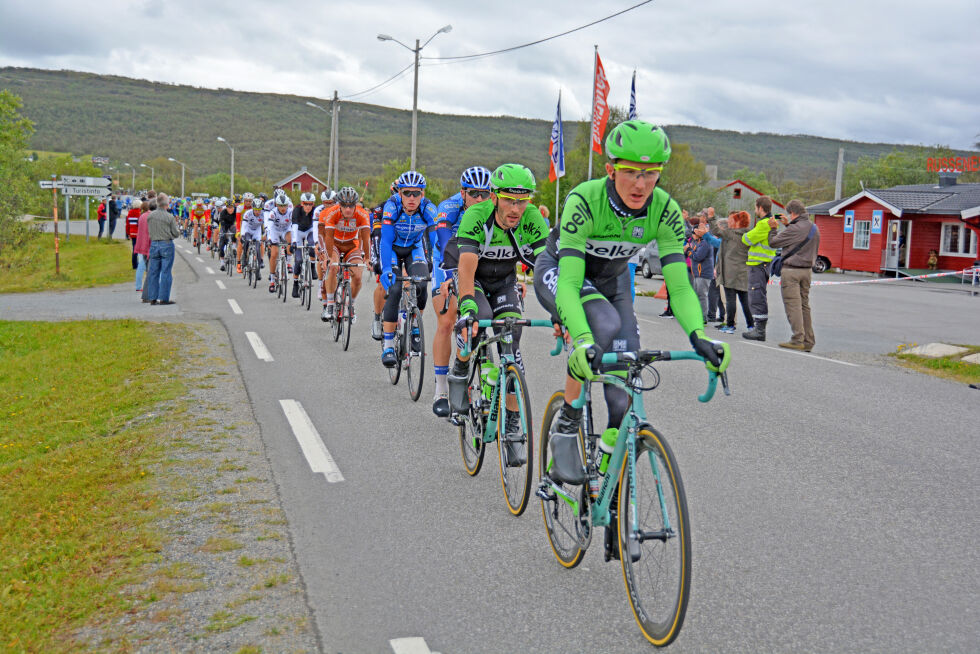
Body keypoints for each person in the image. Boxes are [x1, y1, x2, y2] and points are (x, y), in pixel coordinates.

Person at [533, 121, 728, 560]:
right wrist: (580, 339)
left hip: (615, 279)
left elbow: (679, 286)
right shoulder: (585, 199)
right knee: (599, 326)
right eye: (631, 172)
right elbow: (568, 284)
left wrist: (699, 335)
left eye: (651, 172)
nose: (641, 183)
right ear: (610, 168)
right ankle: (567, 418)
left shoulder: (664, 209)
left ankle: (606, 476)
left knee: (623, 397)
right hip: (565, 272)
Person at [443, 164, 548, 465]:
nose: (516, 208)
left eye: (523, 200)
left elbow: (545, 266)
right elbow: (465, 267)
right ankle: (461, 367)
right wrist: (466, 308)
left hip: (504, 282)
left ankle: (513, 424)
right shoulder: (476, 216)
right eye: (509, 200)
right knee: (476, 324)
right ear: (494, 196)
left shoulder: (532, 219)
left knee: (511, 344)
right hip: (474, 280)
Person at [430, 166, 492, 417]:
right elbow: (446, 244)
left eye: (485, 194)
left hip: (478, 261)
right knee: (446, 320)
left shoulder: (491, 209)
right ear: (463, 193)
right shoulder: (450, 208)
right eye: (474, 194)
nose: (479, 199)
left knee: (483, 315)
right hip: (447, 260)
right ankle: (441, 389)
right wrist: (449, 279)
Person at [378, 171, 438, 368]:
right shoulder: (392, 206)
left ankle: (414, 329)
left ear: (422, 193)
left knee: (421, 284)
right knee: (394, 289)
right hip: (393, 249)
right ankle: (388, 345)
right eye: (407, 193)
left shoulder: (428, 208)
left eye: (416, 193)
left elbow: (436, 238)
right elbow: (385, 240)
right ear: (400, 193)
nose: (411, 198)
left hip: (414, 248)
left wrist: (438, 263)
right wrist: (386, 267)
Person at [768, 199, 820, 351]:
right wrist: (788, 225)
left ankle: (797, 339)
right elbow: (799, 236)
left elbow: (774, 243)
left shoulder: (794, 229)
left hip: (792, 270)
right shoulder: (813, 228)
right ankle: (808, 341)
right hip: (807, 271)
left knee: (793, 305)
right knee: (804, 306)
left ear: (792, 213)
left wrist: (773, 228)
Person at [318, 186, 371, 321]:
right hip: (335, 244)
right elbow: (328, 237)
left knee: (358, 276)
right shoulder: (332, 213)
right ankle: (330, 304)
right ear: (339, 204)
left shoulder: (362, 214)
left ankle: (350, 305)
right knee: (333, 267)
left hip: (351, 246)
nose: (348, 209)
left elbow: (366, 238)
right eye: (344, 205)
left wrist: (368, 258)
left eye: (351, 206)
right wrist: (328, 257)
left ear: (355, 205)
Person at [709, 210, 752, 333]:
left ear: (738, 222)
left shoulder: (731, 234)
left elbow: (716, 231)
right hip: (743, 272)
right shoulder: (748, 235)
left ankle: (730, 325)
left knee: (730, 300)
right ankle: (751, 325)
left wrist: (712, 217)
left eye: (731, 220)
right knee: (745, 301)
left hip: (730, 272)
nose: (729, 222)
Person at [741, 196, 778, 340]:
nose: (755, 210)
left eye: (756, 207)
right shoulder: (771, 221)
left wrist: (747, 234)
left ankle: (759, 330)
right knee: (758, 295)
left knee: (757, 296)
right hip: (763, 264)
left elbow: (746, 239)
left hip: (759, 264)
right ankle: (759, 329)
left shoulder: (764, 224)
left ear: (760, 208)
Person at [145, 193, 179, 305]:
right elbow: (175, 233)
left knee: (153, 271)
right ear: (167, 204)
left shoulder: (150, 216)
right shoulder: (169, 217)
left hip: (154, 244)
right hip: (166, 244)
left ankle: (152, 297)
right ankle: (164, 298)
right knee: (166, 271)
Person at [290, 192, 319, 298]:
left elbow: (316, 227)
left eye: (310, 204)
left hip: (309, 230)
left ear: (313, 204)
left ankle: (312, 266)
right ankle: (295, 284)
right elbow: (294, 226)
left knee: (312, 246)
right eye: (306, 204)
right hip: (298, 232)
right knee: (298, 260)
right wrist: (293, 242)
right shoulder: (296, 210)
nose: (308, 206)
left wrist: (317, 242)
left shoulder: (315, 211)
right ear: (302, 203)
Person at [264, 194, 293, 292]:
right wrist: (269, 238)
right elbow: (270, 226)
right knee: (274, 254)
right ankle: (272, 280)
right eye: (280, 206)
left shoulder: (290, 212)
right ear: (277, 205)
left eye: (285, 205)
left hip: (286, 230)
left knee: (290, 238)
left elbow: (294, 226)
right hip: (275, 231)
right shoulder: (273, 213)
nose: (283, 208)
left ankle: (288, 263)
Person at [686, 223, 714, 321]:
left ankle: (703, 317)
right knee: (697, 294)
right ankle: (697, 315)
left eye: (694, 232)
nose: (693, 234)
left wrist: (688, 250)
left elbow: (698, 256)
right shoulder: (697, 242)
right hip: (698, 273)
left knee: (702, 295)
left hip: (704, 273)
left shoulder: (705, 242)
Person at [238, 197, 265, 278]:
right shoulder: (248, 213)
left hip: (257, 231)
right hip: (248, 230)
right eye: (256, 210)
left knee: (257, 248)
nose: (257, 212)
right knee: (246, 242)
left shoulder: (263, 214)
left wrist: (265, 235)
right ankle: (244, 260)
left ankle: (258, 268)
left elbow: (267, 226)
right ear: (253, 208)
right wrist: (242, 235)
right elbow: (244, 226)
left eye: (259, 210)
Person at [215, 199, 238, 271]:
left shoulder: (236, 211)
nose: (230, 209)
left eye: (232, 207)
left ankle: (234, 247)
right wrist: (224, 233)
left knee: (235, 231)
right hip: (224, 226)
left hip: (232, 225)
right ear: (226, 207)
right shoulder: (223, 212)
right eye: (228, 207)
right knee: (222, 243)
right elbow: (221, 223)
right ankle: (222, 263)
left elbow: (238, 220)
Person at [135, 200, 151, 294]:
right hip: (146, 243)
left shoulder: (141, 216)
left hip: (140, 243)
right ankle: (143, 288)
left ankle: (138, 285)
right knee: (143, 265)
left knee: (141, 264)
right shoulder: (147, 216)